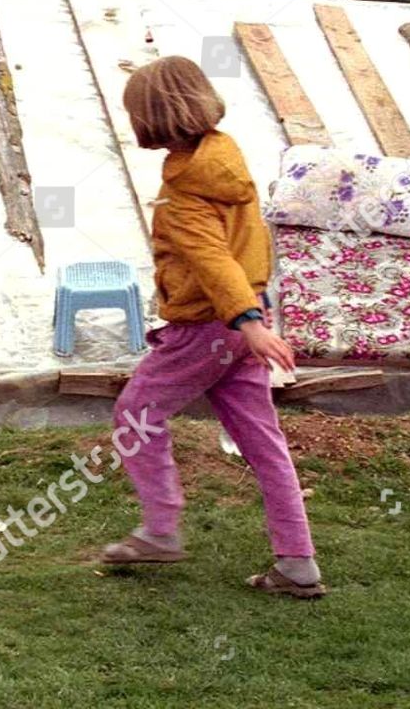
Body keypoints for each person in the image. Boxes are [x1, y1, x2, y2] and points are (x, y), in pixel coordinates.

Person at [100, 56, 323, 598]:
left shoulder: (185, 195)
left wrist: (246, 321)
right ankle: (298, 564)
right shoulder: (224, 157)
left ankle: (160, 529)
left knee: (136, 413)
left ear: (150, 118)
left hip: (210, 326)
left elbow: (212, 260)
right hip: (244, 322)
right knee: (263, 443)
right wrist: (253, 319)